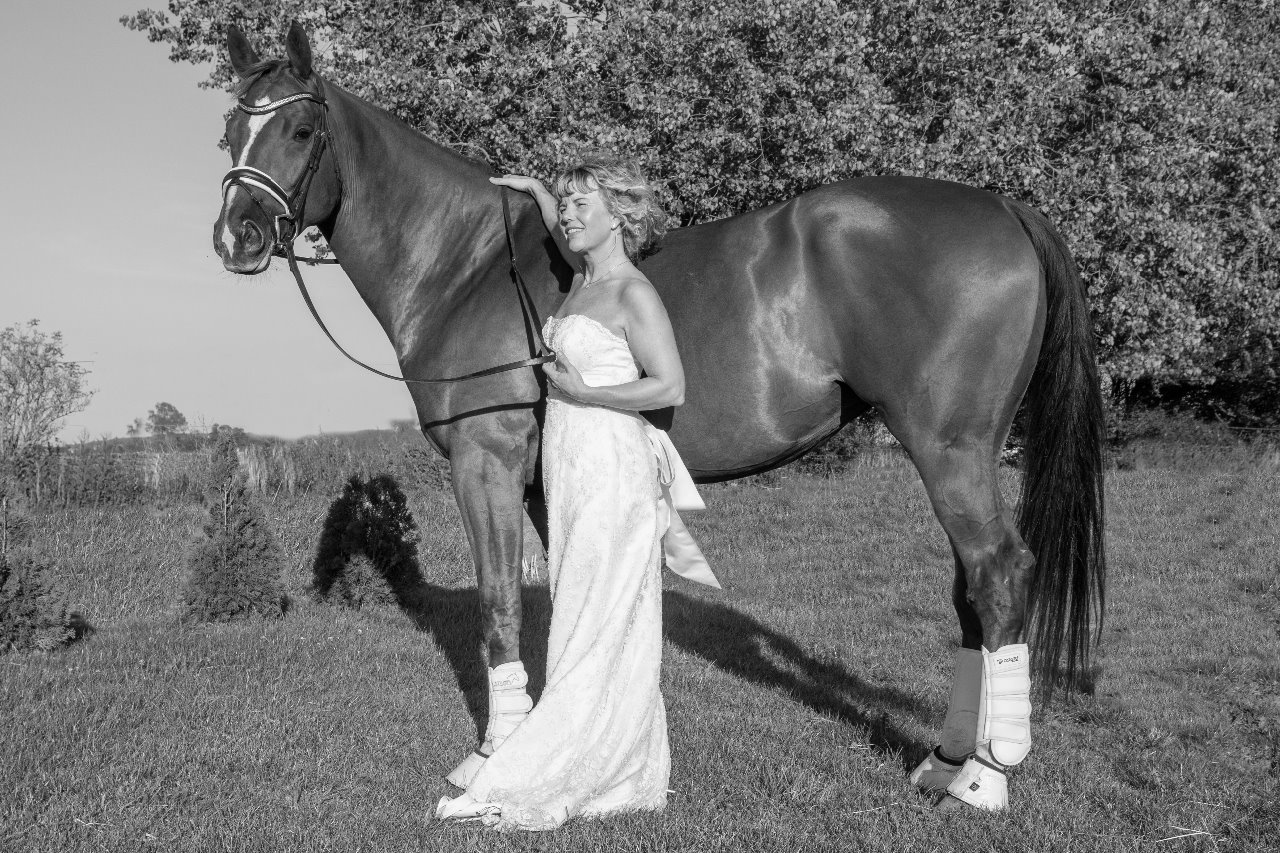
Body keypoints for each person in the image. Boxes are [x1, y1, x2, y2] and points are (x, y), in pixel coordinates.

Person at [435, 154, 719, 831]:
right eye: (563, 204)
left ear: (617, 215)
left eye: (580, 203)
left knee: (600, 609)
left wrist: (588, 391)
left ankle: (583, 756)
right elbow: (564, 236)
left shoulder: (632, 293)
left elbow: (670, 385)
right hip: (571, 470)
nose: (567, 215)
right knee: (578, 605)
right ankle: (603, 744)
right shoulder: (584, 280)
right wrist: (536, 190)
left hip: (611, 467)